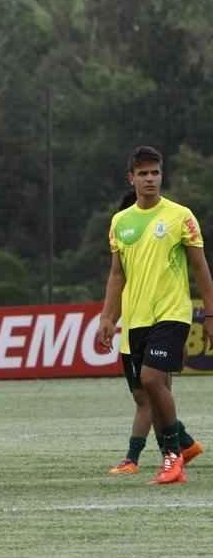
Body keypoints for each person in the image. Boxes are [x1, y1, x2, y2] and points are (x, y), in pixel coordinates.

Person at [98, 146, 213, 485]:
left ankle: (173, 456)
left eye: (155, 173)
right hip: (136, 319)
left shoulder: (181, 216)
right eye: (143, 173)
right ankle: (179, 453)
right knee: (153, 390)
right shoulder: (120, 222)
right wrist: (107, 317)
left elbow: (200, 269)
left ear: (161, 176)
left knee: (150, 380)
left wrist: (210, 315)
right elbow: (117, 274)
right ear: (131, 178)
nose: (150, 179)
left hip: (172, 313)